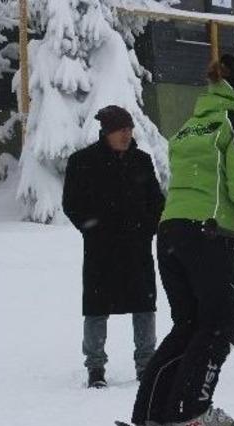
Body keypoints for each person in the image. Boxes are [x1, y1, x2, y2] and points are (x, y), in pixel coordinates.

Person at [126, 54, 234, 426]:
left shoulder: (191, 125)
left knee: (188, 324)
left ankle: (153, 412)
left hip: (170, 232)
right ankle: (191, 412)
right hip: (209, 235)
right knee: (220, 322)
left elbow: (205, 182)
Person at [62, 105, 165, 389]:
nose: (126, 135)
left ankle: (146, 365)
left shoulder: (141, 161)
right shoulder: (83, 161)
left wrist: (147, 228)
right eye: (120, 130)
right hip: (101, 249)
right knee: (96, 307)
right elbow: (72, 203)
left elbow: (156, 200)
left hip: (137, 247)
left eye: (129, 129)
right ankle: (95, 368)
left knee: (144, 305)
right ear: (106, 132)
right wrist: (93, 230)